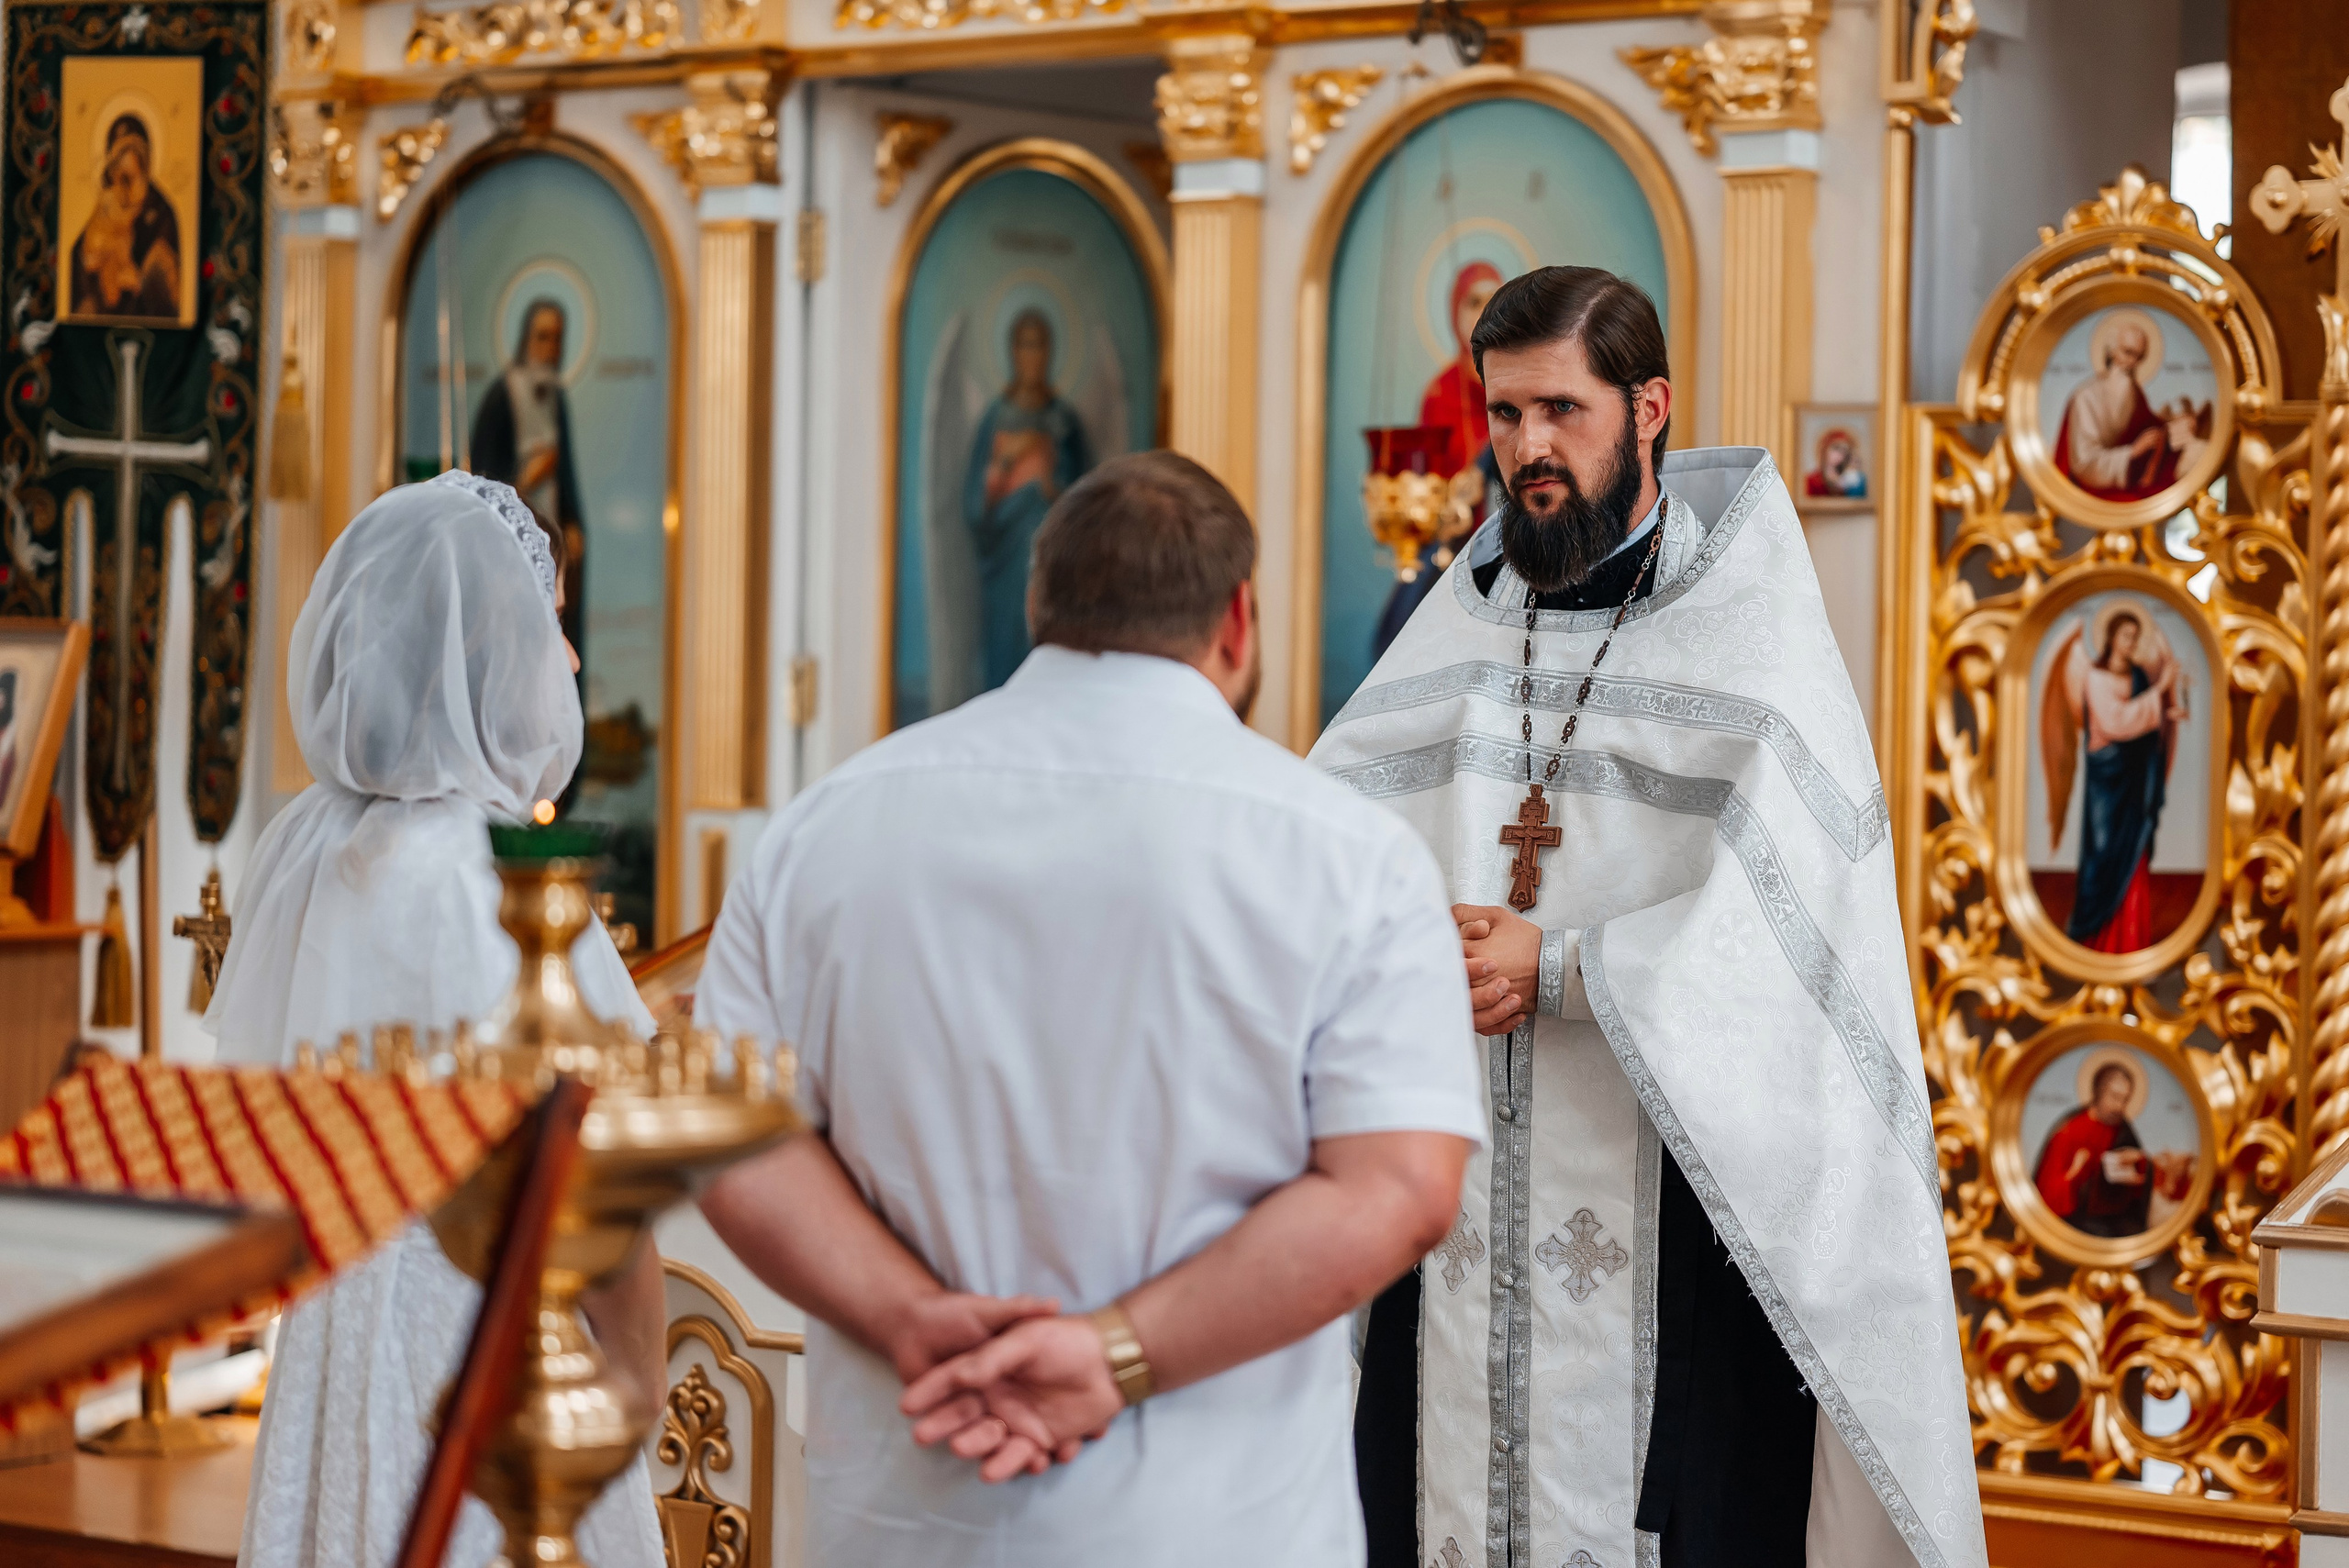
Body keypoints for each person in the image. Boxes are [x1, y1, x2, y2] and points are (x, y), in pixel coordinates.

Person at [694, 450, 1485, 1568]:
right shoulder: (1347, 854)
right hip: (1215, 1522)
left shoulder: (830, 824)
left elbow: (727, 1134)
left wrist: (911, 1320)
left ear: (1039, 605)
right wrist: (1112, 1354)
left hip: (908, 1503)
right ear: (1238, 620)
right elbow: (1399, 1187)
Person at [1311, 266, 1987, 1568]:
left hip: (1681, 1224)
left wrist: (1561, 965)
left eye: (1561, 409)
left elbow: (1801, 953)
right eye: (1504, 416)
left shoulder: (1753, 639)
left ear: (1651, 405)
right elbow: (1327, 855)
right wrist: (1412, 950)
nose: (1529, 450)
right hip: (1455, 1206)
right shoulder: (1452, 628)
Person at [206, 472, 665, 1568]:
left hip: (337, 1345)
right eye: (551, 628)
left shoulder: (316, 846)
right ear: (489, 662)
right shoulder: (495, 877)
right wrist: (641, 1374)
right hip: (485, 1348)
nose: (569, 662)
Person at [2039, 606, 2187, 953]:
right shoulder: (2094, 677)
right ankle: (2095, 939)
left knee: (2133, 853)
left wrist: (2167, 715)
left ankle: (2129, 940)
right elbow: (2117, 722)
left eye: (2135, 636)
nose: (2130, 642)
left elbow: (2143, 721)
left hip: (2135, 779)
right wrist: (2162, 688)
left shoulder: (2137, 676)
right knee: (2104, 856)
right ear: (2111, 638)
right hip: (2107, 781)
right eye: (2125, 635)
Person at [963, 309, 1093, 691]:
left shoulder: (1064, 421)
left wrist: (1046, 473)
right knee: (1005, 644)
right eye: (1024, 344)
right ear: (1012, 352)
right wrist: (1008, 460)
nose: (1031, 355)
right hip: (1003, 562)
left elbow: (1086, 501)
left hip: (1053, 564)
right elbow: (974, 503)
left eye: (1039, 345)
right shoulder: (996, 417)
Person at [471, 300, 587, 652]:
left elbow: (566, 470)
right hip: (511, 539)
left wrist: (571, 520)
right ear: (526, 339)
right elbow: (482, 478)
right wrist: (526, 480)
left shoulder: (556, 395)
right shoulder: (501, 395)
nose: (550, 348)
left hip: (552, 536)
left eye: (557, 339)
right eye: (543, 337)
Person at [2054, 311, 2182, 502]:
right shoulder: (2086, 397)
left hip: (2127, 479)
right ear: (2112, 351)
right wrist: (2133, 451)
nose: (2132, 363)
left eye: (2139, 357)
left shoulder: (2134, 395)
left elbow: (2150, 426)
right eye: (2128, 352)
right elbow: (2084, 464)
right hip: (2089, 489)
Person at [69, 114, 181, 320]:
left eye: (131, 177)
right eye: (119, 175)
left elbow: (168, 290)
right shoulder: (107, 206)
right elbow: (78, 258)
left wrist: (138, 279)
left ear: (145, 169)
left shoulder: (162, 214)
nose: (124, 189)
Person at [2033, 1061, 2153, 1236]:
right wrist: (2075, 1172)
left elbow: (2142, 1180)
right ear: (2099, 1092)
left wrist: (2139, 1162)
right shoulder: (2070, 1131)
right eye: (2114, 1097)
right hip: (2077, 1222)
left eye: (2125, 1100)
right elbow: (2048, 1194)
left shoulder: (2124, 1130)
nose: (2119, 1106)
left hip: (2116, 1220)